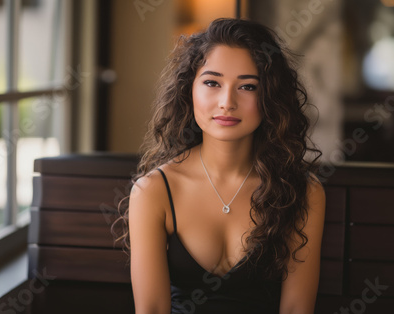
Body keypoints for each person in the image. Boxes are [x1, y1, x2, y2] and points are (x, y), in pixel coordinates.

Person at [114, 18, 326, 314]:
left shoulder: (302, 191)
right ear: (190, 89)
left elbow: (295, 309)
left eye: (248, 86)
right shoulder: (153, 191)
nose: (227, 102)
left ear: (270, 97)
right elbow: (151, 309)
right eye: (212, 82)